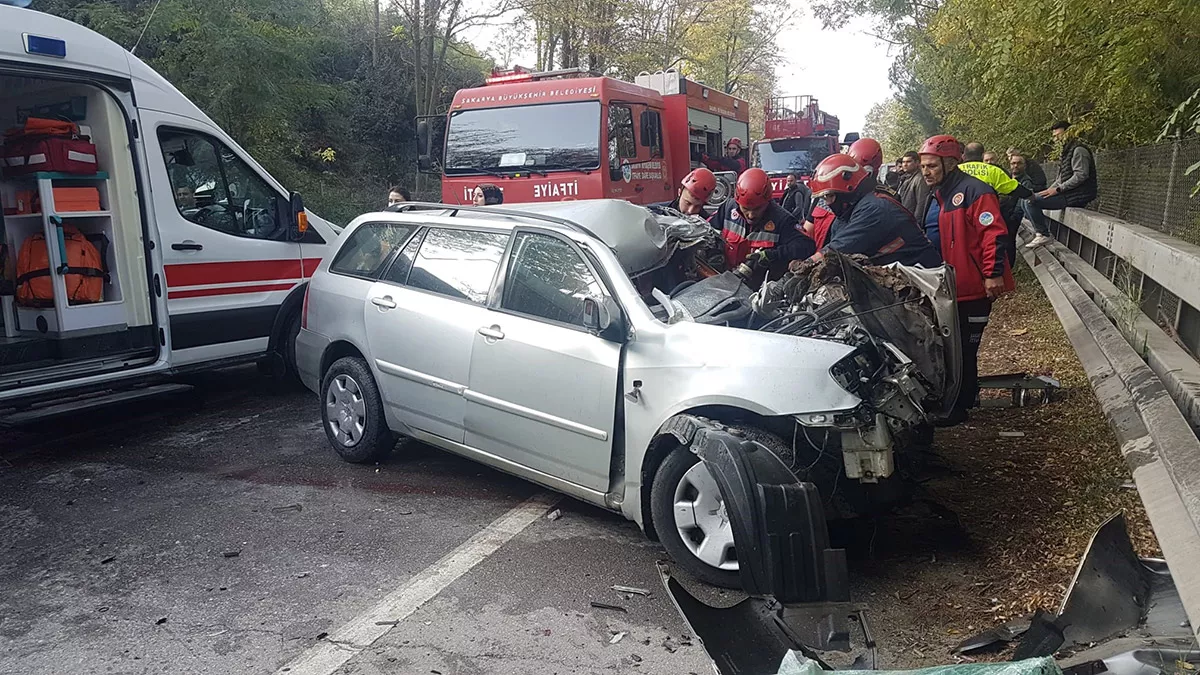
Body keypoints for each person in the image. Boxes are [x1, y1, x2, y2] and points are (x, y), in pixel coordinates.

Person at [918, 134, 1013, 426]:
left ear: (949, 163)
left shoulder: (974, 191)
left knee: (963, 350)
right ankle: (960, 399)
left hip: (972, 287)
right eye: (923, 166)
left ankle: (958, 406)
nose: (926, 172)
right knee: (952, 349)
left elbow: (993, 234)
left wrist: (992, 273)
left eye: (932, 166)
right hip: (951, 287)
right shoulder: (939, 194)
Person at [800, 153, 941, 268]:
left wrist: (804, 266)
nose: (828, 203)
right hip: (898, 275)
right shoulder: (850, 211)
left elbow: (839, 249)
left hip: (920, 281)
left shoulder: (874, 209)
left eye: (830, 196)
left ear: (846, 192)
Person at [708, 168, 814, 280]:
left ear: (767, 201)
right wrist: (714, 253)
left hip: (760, 289)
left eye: (757, 209)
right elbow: (709, 233)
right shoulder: (727, 209)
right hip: (724, 281)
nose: (751, 215)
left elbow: (806, 246)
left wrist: (772, 255)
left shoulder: (782, 220)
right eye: (745, 208)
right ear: (737, 201)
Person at [1024, 121, 1097, 248]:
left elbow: (1081, 176)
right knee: (1027, 199)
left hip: (1077, 194)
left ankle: (1044, 234)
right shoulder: (1067, 151)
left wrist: (1058, 189)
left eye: (1058, 135)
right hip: (1066, 193)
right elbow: (1062, 177)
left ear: (1068, 133)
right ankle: (1039, 233)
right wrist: (1050, 189)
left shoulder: (1079, 150)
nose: (1056, 139)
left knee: (1031, 201)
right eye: (1054, 136)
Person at [897, 150, 927, 215]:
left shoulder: (919, 179)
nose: (905, 164)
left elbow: (921, 204)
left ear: (917, 163)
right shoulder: (905, 178)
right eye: (903, 162)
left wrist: (916, 222)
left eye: (908, 162)